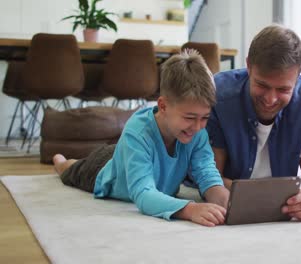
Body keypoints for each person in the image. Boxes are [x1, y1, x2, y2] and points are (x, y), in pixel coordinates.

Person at [53, 50, 230, 227]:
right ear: (163, 106)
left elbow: (207, 174)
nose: (198, 127)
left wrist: (224, 199)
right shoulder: (137, 133)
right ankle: (61, 161)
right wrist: (190, 210)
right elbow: (143, 194)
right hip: (103, 167)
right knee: (71, 169)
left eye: (205, 117)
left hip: (133, 153)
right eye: (190, 118)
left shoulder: (197, 133)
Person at [207, 24, 301, 222]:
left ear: (298, 76)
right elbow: (210, 177)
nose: (271, 99)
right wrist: (261, 196)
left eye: (283, 90)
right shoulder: (220, 95)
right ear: (248, 66)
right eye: (262, 85)